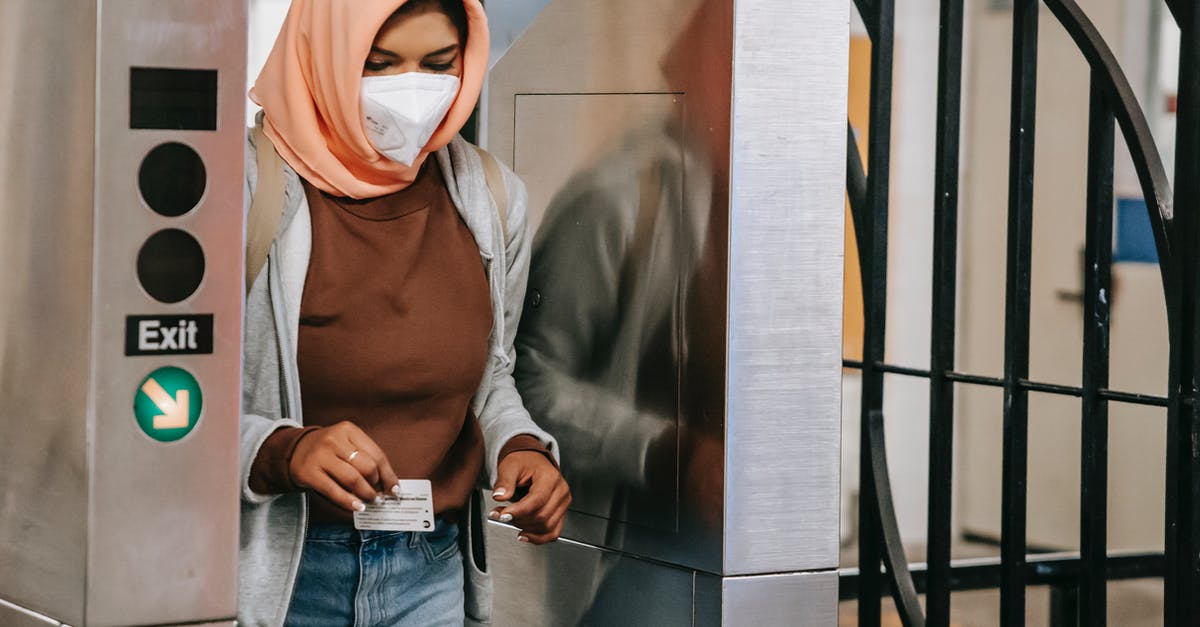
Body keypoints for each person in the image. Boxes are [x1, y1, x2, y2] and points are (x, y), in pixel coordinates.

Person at [236, 1, 571, 625]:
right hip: (284, 575)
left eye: (438, 64)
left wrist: (522, 447)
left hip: (429, 568)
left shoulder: (492, 200)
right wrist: (283, 450)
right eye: (379, 64)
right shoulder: (241, 191)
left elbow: (492, 374)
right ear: (324, 57)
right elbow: (161, 407)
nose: (411, 91)